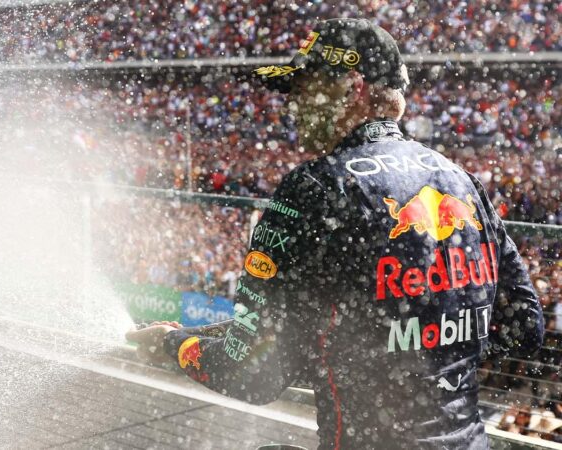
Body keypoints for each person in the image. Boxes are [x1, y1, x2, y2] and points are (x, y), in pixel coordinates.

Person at [127, 18, 544, 449]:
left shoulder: (316, 187)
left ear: (354, 87)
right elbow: (524, 327)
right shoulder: (460, 178)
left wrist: (171, 343)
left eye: (304, 90)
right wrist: (429, 359)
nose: (292, 107)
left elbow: (251, 375)